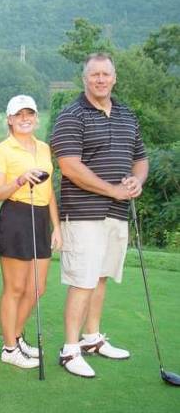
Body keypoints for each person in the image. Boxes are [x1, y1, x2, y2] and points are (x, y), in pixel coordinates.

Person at [50, 52, 148, 378]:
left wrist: (137, 180)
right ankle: (69, 349)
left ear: (114, 77)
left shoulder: (127, 114)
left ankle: (91, 339)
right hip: (83, 214)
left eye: (106, 74)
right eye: (95, 75)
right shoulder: (71, 115)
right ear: (85, 78)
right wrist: (112, 189)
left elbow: (140, 158)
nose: (101, 80)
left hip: (117, 213)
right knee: (82, 280)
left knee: (101, 277)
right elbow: (70, 167)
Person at [0, 95, 62, 369]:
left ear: (36, 117)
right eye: (19, 114)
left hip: (41, 217)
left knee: (37, 288)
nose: (24, 118)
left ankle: (16, 337)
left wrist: (57, 227)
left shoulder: (43, 148)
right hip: (16, 216)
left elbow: (49, 190)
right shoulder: (2, 150)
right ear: (9, 119)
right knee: (15, 287)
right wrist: (19, 180)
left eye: (29, 113)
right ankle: (9, 348)